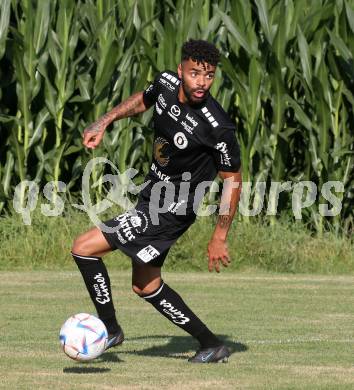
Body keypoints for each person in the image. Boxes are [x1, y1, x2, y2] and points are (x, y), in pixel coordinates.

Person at [71, 39, 242, 363]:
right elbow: (143, 99)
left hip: (169, 211)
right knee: (146, 285)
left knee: (84, 247)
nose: (202, 82)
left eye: (209, 75)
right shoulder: (165, 83)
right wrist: (105, 121)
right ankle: (210, 344)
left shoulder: (218, 126)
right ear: (181, 71)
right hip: (151, 196)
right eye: (195, 74)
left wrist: (219, 236)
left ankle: (109, 330)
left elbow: (233, 181)